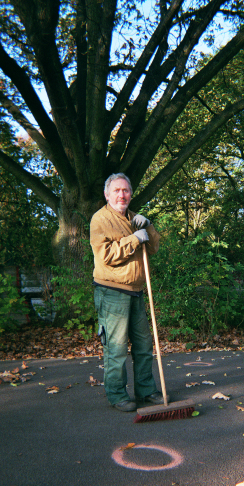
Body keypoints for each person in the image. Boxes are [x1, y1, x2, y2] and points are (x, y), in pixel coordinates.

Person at [90, 173, 166, 412]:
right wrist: (133, 239)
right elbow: (106, 255)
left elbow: (153, 247)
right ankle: (117, 394)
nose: (121, 195)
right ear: (107, 194)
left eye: (126, 190)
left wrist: (148, 226)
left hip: (136, 290)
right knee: (117, 347)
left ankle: (146, 390)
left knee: (144, 345)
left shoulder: (135, 218)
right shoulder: (100, 219)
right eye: (116, 191)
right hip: (111, 292)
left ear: (131, 194)